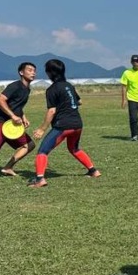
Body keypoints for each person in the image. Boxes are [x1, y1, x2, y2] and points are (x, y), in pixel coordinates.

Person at [27, 59, 101, 187]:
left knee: (42, 151)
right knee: (74, 149)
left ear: (50, 73)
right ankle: (93, 171)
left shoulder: (52, 89)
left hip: (63, 126)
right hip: (77, 124)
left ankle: (39, 179)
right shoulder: (69, 86)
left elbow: (51, 111)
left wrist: (42, 129)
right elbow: (79, 102)